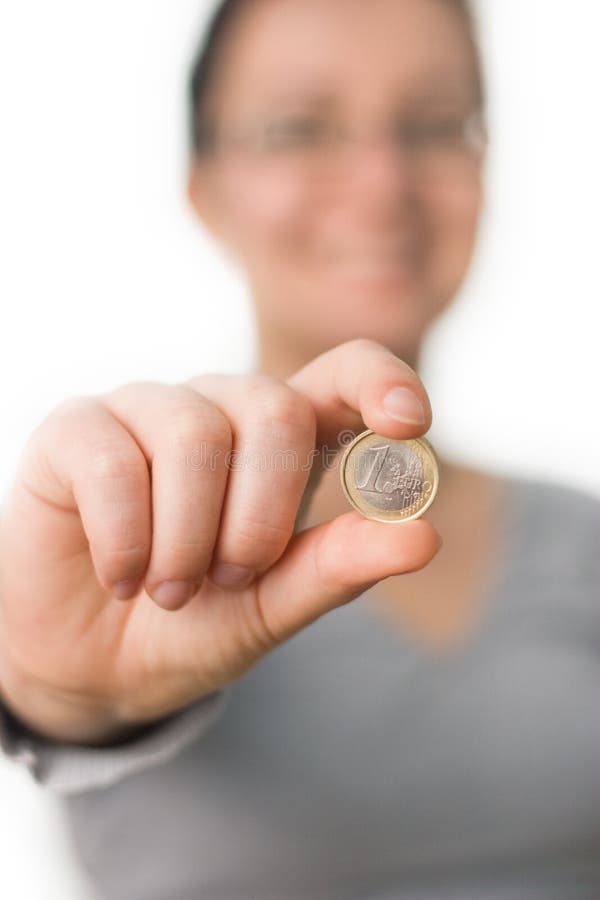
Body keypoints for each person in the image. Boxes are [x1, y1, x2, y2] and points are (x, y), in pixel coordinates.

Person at [0, 0, 598, 897]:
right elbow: (63, 690)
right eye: (299, 129)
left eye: (436, 125)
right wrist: (61, 698)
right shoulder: (126, 540)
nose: (380, 181)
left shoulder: (582, 539)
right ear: (204, 188)